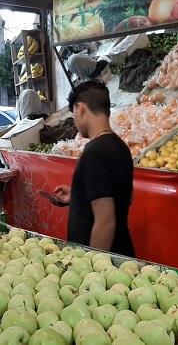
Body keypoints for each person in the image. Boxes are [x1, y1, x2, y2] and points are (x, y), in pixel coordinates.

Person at [52, 81, 134, 256]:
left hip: (105, 264)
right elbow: (123, 195)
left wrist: (93, 267)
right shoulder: (120, 147)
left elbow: (105, 221)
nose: (74, 120)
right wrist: (80, 195)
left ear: (80, 109)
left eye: (73, 113)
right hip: (122, 251)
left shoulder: (95, 153)